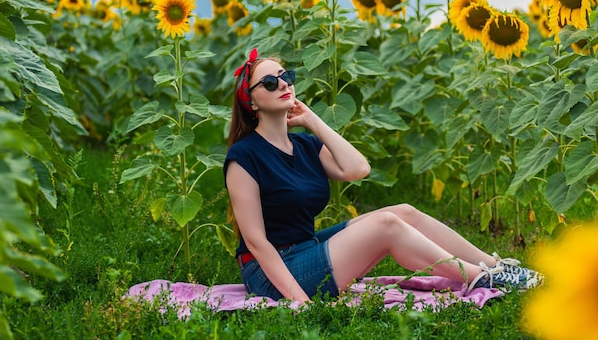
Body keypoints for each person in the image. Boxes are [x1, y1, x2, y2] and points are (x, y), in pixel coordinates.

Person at [224, 48, 542, 303]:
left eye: (286, 77)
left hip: (305, 249)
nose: (283, 84)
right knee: (385, 225)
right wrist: (299, 302)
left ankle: (496, 265)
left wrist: (312, 121)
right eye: (269, 83)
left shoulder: (305, 145)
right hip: (271, 274)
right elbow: (256, 241)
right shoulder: (244, 156)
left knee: (403, 212)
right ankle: (482, 276)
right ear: (251, 102)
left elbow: (357, 169)